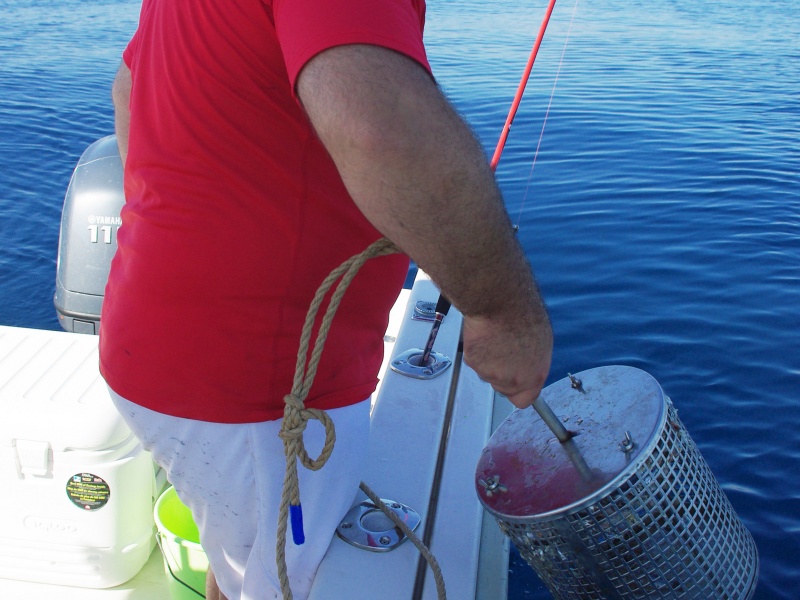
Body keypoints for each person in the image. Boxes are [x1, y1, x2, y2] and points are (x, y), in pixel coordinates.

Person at [101, 0, 553, 598]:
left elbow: (129, 91)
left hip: (154, 346)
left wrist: (186, 239)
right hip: (254, 394)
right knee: (277, 579)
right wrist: (504, 313)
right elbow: (379, 129)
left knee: (248, 549)